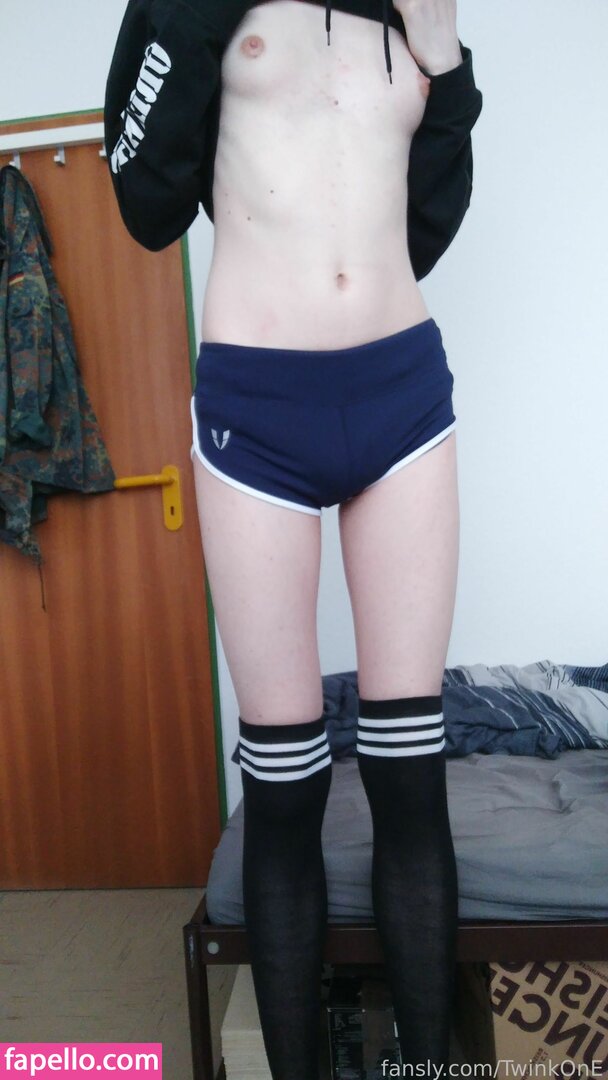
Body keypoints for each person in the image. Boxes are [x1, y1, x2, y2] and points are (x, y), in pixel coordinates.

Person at [104, 2, 483, 1076]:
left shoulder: (414, 9)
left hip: (402, 391)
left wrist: (446, 66)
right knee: (285, 781)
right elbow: (144, 203)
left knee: (410, 775)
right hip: (256, 409)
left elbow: (424, 222)